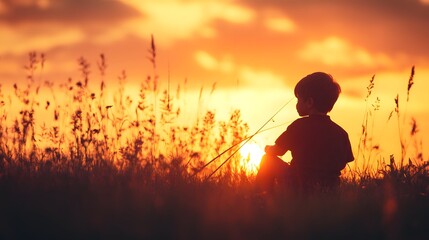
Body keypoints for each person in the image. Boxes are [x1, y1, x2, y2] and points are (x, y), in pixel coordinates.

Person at [256, 72, 354, 192]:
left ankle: (260, 196)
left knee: (268, 160)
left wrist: (268, 149)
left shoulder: (298, 126)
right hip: (329, 188)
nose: (296, 104)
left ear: (309, 102)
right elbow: (342, 163)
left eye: (298, 100)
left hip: (298, 184)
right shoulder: (341, 133)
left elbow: (278, 151)